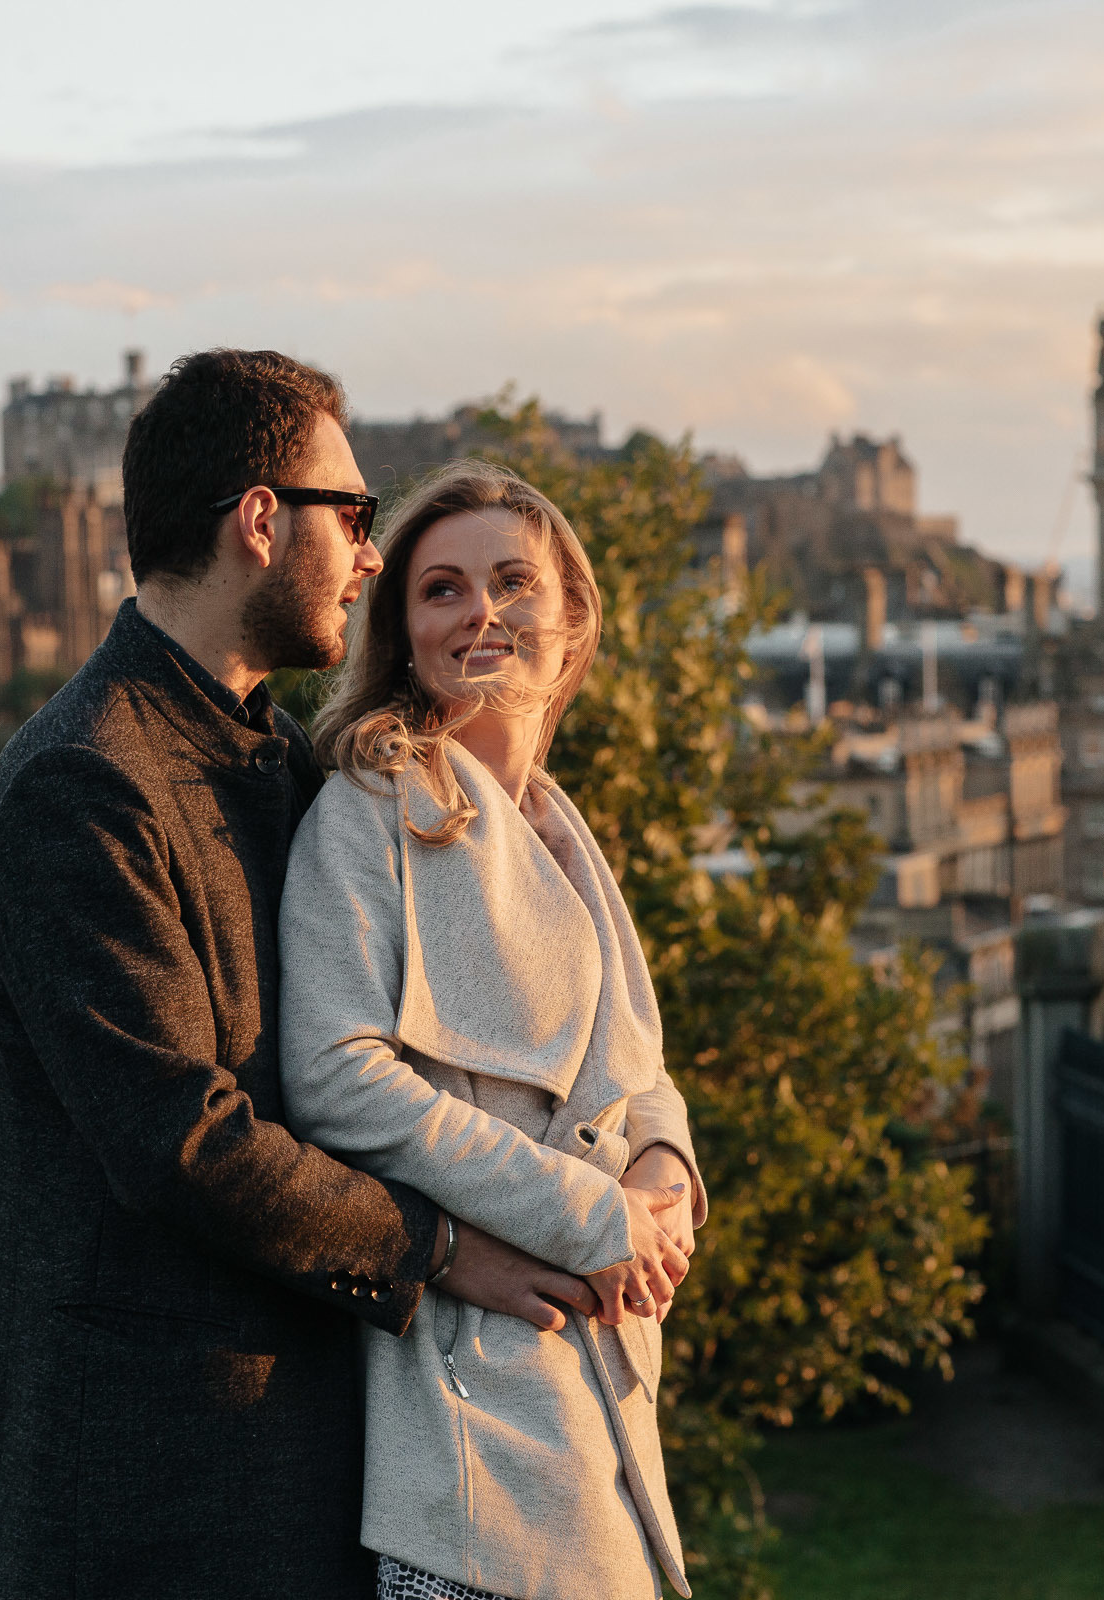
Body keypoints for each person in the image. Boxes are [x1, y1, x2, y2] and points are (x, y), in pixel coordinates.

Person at [0, 352, 603, 1599]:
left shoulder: (286, 765)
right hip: (141, 1489)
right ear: (260, 521)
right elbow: (178, 1139)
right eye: (352, 518)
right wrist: (442, 1247)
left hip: (293, 1459)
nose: (369, 556)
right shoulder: (79, 782)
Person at [280, 459, 708, 1600]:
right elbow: (335, 1078)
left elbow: (635, 1070)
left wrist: (665, 1173)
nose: (482, 614)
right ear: (404, 632)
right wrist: (591, 1215)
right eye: (442, 590)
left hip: (600, 1373)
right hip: (473, 1422)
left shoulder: (562, 824)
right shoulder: (369, 806)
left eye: (514, 582)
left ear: (571, 619)